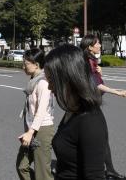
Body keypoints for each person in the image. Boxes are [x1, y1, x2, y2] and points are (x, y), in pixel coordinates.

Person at [44, 44, 106, 180]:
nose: (49, 87)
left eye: (51, 81)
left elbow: (94, 176)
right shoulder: (72, 110)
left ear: (68, 78)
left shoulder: (90, 120)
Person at [80, 35, 126, 180]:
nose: (100, 45)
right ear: (90, 47)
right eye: (98, 43)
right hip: (88, 107)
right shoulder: (87, 61)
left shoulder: (90, 60)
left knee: (99, 138)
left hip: (90, 105)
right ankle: (104, 171)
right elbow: (96, 85)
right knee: (98, 138)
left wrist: (101, 73)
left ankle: (109, 170)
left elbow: (96, 82)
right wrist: (116, 91)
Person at [16, 48, 55, 180]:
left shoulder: (43, 83)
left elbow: (41, 111)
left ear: (37, 65)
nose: (23, 67)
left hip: (42, 129)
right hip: (31, 128)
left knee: (42, 173)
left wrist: (30, 132)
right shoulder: (34, 80)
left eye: (26, 64)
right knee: (22, 166)